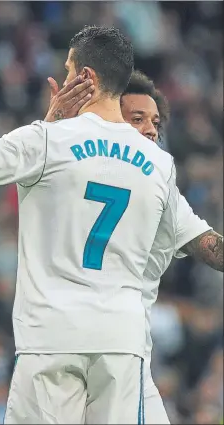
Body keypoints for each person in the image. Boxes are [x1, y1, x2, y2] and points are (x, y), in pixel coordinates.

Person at [0, 25, 180, 424]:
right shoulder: (160, 163)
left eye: (67, 70)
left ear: (87, 78)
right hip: (122, 338)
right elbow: (161, 255)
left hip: (53, 334)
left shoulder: (47, 141)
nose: (63, 80)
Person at [46, 69, 223, 423]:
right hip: (109, 352)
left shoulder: (157, 188)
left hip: (83, 349)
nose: (151, 129)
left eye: (156, 121)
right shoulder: (69, 169)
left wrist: (54, 123)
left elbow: (206, 244)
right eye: (137, 118)